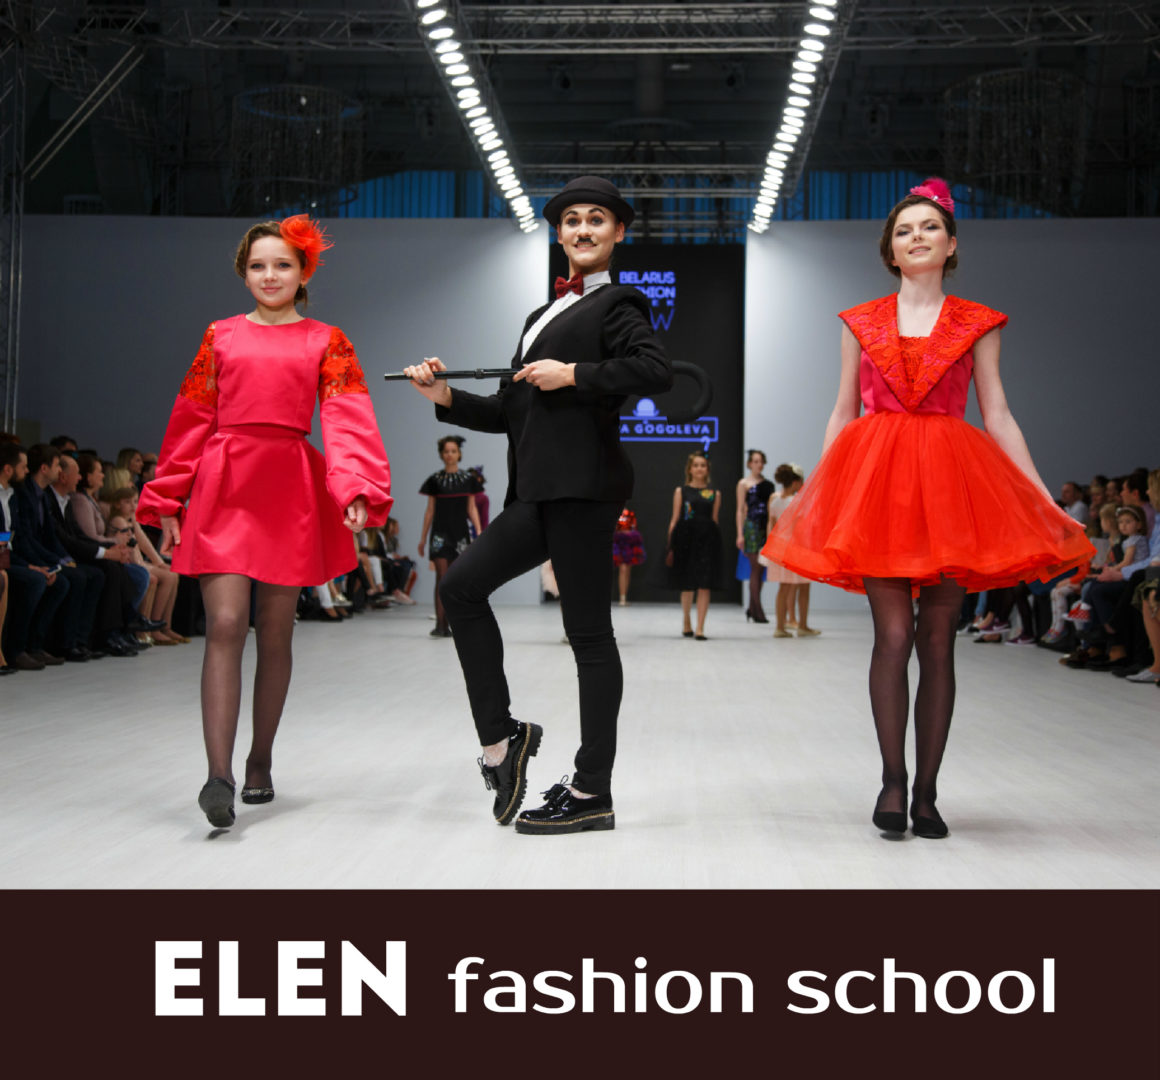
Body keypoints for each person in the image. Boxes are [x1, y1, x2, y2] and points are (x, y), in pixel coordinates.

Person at [761, 177, 1093, 839]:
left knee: (938, 640)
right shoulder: (859, 321)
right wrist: (823, 495)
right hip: (878, 487)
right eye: (904, 230)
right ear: (890, 249)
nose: (917, 237)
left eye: (930, 227)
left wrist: (1041, 497)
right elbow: (842, 412)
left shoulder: (979, 323)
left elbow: (998, 415)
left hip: (950, 487)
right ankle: (893, 781)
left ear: (952, 244)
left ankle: (928, 793)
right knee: (892, 637)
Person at [403, 175, 670, 834]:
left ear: (618, 233)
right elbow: (511, 410)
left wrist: (574, 374)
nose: (583, 229)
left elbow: (654, 369)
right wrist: (444, 398)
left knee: (588, 636)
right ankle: (503, 741)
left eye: (596, 219)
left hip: (584, 490)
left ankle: (592, 790)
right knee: (460, 589)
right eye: (572, 220)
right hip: (537, 493)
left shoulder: (618, 302)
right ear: (559, 233)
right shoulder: (538, 318)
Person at [137, 215, 392, 829]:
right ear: (242, 273)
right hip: (225, 483)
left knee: (275, 632)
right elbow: (191, 418)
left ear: (304, 272)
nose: (270, 275)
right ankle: (218, 776)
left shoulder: (327, 340)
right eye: (257, 265)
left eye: (282, 264)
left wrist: (355, 486)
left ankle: (260, 759)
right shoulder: (220, 336)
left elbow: (347, 418)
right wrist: (167, 498)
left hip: (288, 486)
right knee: (225, 623)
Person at [418, 434, 482, 637]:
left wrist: (479, 531)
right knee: (442, 578)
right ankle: (441, 625)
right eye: (446, 451)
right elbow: (430, 511)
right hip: (439, 534)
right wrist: (422, 538)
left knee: (455, 580)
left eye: (453, 451)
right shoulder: (434, 480)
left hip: (460, 534)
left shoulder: (468, 480)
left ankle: (451, 623)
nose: (450, 454)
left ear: (459, 454)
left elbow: (471, 508)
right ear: (441, 454)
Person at [666, 451, 723, 640]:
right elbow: (675, 518)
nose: (699, 468)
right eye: (696, 465)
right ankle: (686, 620)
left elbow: (715, 519)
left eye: (703, 465)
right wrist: (670, 545)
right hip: (685, 540)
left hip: (707, 541)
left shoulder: (714, 494)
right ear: (690, 469)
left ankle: (700, 628)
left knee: (705, 584)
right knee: (688, 583)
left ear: (707, 469)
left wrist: (716, 545)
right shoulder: (681, 491)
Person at [763, 462, 820, 638]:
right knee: (804, 586)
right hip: (797, 548)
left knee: (784, 587)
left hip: (780, 547)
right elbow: (803, 526)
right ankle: (802, 625)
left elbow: (772, 525)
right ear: (795, 482)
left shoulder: (775, 500)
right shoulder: (797, 502)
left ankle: (780, 627)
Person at [734, 449, 774, 623]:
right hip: (751, 527)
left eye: (761, 461)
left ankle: (752, 608)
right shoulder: (744, 484)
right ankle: (758, 610)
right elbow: (740, 510)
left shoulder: (768, 485)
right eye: (756, 461)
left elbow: (771, 509)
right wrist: (739, 534)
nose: (759, 464)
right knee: (755, 568)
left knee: (761, 568)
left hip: (765, 527)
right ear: (750, 463)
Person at [611, 507, 645, 606]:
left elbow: (633, 527)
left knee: (627, 570)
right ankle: (622, 598)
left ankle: (624, 597)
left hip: (628, 544)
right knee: (623, 569)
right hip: (618, 543)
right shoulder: (614, 512)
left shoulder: (629, 514)